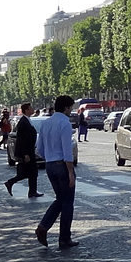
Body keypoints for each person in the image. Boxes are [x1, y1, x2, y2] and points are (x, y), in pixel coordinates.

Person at [34, 95, 79, 249]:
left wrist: (50, 158)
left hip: (50, 165)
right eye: (71, 107)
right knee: (67, 203)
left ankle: (43, 227)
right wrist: (70, 173)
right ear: (66, 107)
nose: (71, 110)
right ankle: (64, 238)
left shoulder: (46, 123)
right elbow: (67, 151)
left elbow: (39, 149)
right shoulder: (64, 124)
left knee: (60, 199)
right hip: (62, 164)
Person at [4, 103, 43, 197]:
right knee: (28, 172)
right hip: (27, 152)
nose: (33, 109)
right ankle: (12, 183)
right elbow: (22, 139)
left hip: (29, 150)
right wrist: (25, 154)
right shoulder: (23, 122)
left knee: (31, 172)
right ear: (26, 110)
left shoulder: (26, 120)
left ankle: (31, 191)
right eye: (31, 108)